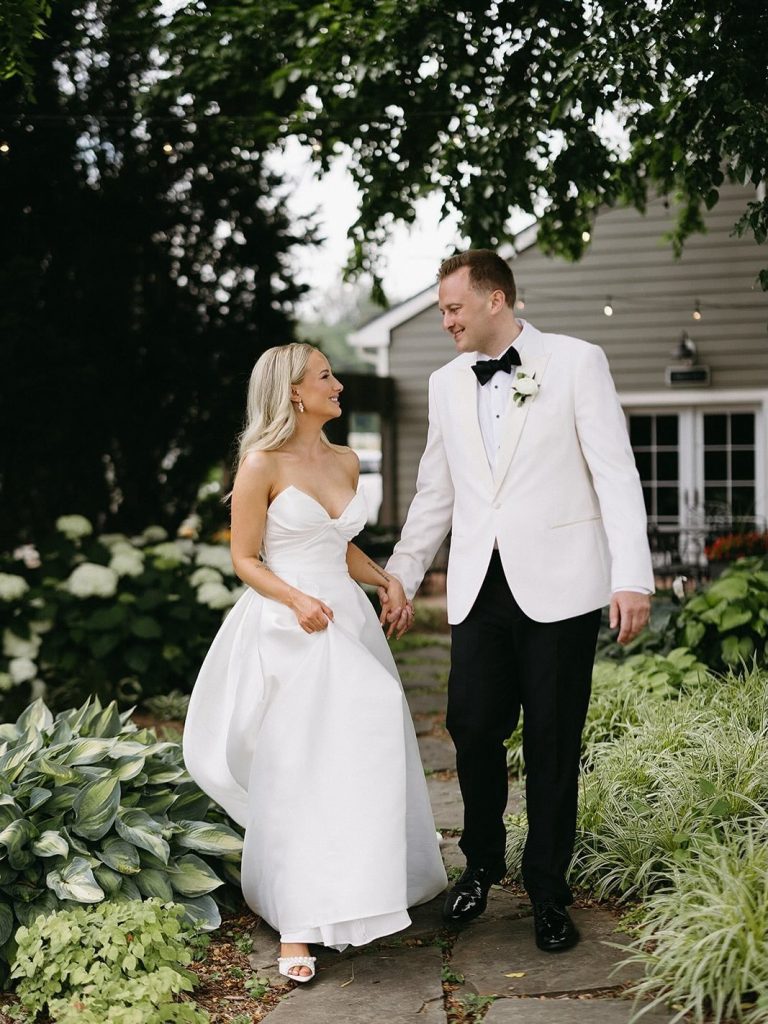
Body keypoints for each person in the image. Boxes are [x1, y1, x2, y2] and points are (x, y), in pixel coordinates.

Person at [379, 250, 653, 952]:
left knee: (554, 743)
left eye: (452, 308)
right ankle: (481, 863)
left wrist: (633, 577)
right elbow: (435, 492)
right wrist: (402, 575)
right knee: (472, 728)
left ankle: (549, 894)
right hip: (480, 588)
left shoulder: (576, 361)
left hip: (563, 587)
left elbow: (615, 473)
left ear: (495, 300)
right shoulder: (444, 384)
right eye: (442, 310)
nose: (445, 321)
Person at [183, 343, 447, 983]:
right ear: (295, 393)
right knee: (299, 765)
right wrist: (297, 598)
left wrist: (386, 581)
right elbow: (246, 558)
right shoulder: (260, 464)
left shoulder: (347, 459)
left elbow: (340, 546)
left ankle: (358, 884)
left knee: (360, 747)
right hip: (289, 624)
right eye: (326, 376)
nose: (338, 386)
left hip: (346, 621)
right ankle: (297, 922)